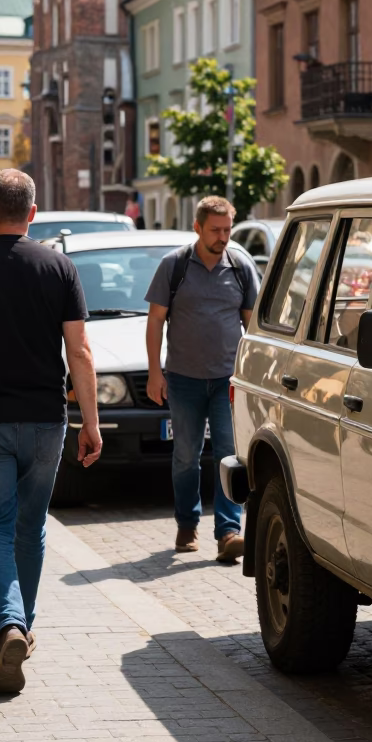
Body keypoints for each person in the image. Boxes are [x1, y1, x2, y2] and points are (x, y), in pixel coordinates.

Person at [0, 169, 103, 695]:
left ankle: (9, 626)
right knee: (29, 528)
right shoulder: (59, 267)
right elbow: (79, 351)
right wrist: (92, 422)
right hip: (44, 419)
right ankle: (22, 626)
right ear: (32, 212)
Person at [145, 195, 260, 563]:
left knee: (229, 456)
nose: (223, 237)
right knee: (185, 457)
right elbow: (155, 322)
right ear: (197, 228)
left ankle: (228, 533)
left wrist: (253, 376)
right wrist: (154, 372)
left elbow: (252, 325)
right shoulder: (174, 266)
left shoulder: (241, 267)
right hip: (183, 379)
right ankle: (186, 524)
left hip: (228, 382)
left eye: (227, 229)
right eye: (215, 230)